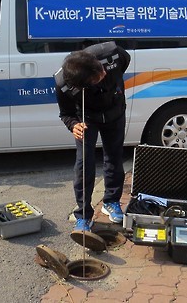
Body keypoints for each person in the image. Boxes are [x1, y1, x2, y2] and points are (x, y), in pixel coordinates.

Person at [55, 42, 131, 232]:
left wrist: (116, 89)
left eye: (102, 70)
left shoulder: (111, 53)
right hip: (87, 118)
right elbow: (66, 113)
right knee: (84, 164)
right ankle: (83, 215)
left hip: (115, 111)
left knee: (114, 156)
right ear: (83, 85)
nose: (104, 74)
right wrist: (74, 125)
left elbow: (125, 61)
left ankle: (111, 201)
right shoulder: (63, 84)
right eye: (98, 78)